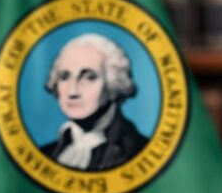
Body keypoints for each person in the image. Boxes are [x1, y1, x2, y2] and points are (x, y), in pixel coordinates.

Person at [40, 33, 148, 171]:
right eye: (65, 76)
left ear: (114, 85)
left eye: (89, 77)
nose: (72, 91)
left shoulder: (139, 153)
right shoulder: (45, 155)